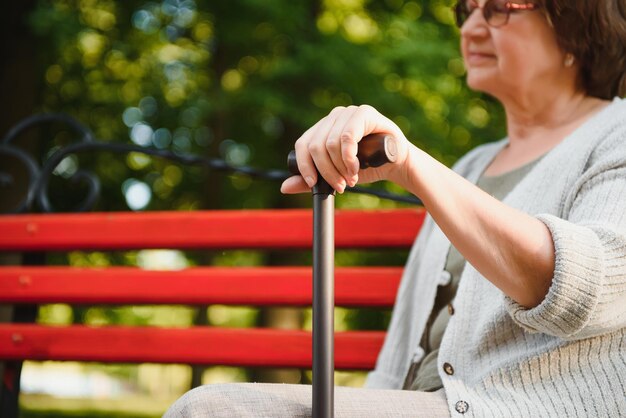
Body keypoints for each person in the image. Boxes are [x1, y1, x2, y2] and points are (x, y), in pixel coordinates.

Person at [165, 0, 626, 416]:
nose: (472, 28)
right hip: (416, 404)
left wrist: (411, 166)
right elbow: (403, 344)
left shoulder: (616, 132)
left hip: (521, 408)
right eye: (467, 9)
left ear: (577, 23)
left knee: (214, 411)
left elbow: (593, 289)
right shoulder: (471, 165)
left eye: (500, 8)